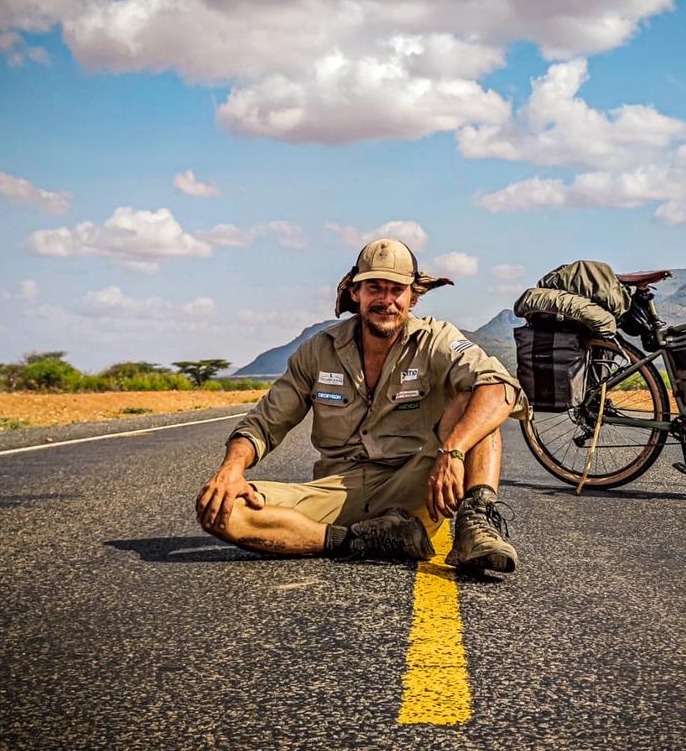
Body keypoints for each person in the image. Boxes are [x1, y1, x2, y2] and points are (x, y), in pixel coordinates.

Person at [194, 237, 527, 573]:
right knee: (220, 508)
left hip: (414, 485)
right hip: (338, 491)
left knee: (479, 396)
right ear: (356, 292)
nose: (386, 300)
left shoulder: (434, 341)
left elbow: (499, 387)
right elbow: (263, 424)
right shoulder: (318, 352)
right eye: (374, 288)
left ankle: (476, 524)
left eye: (396, 289)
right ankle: (359, 540)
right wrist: (231, 470)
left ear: (413, 296)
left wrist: (452, 452)